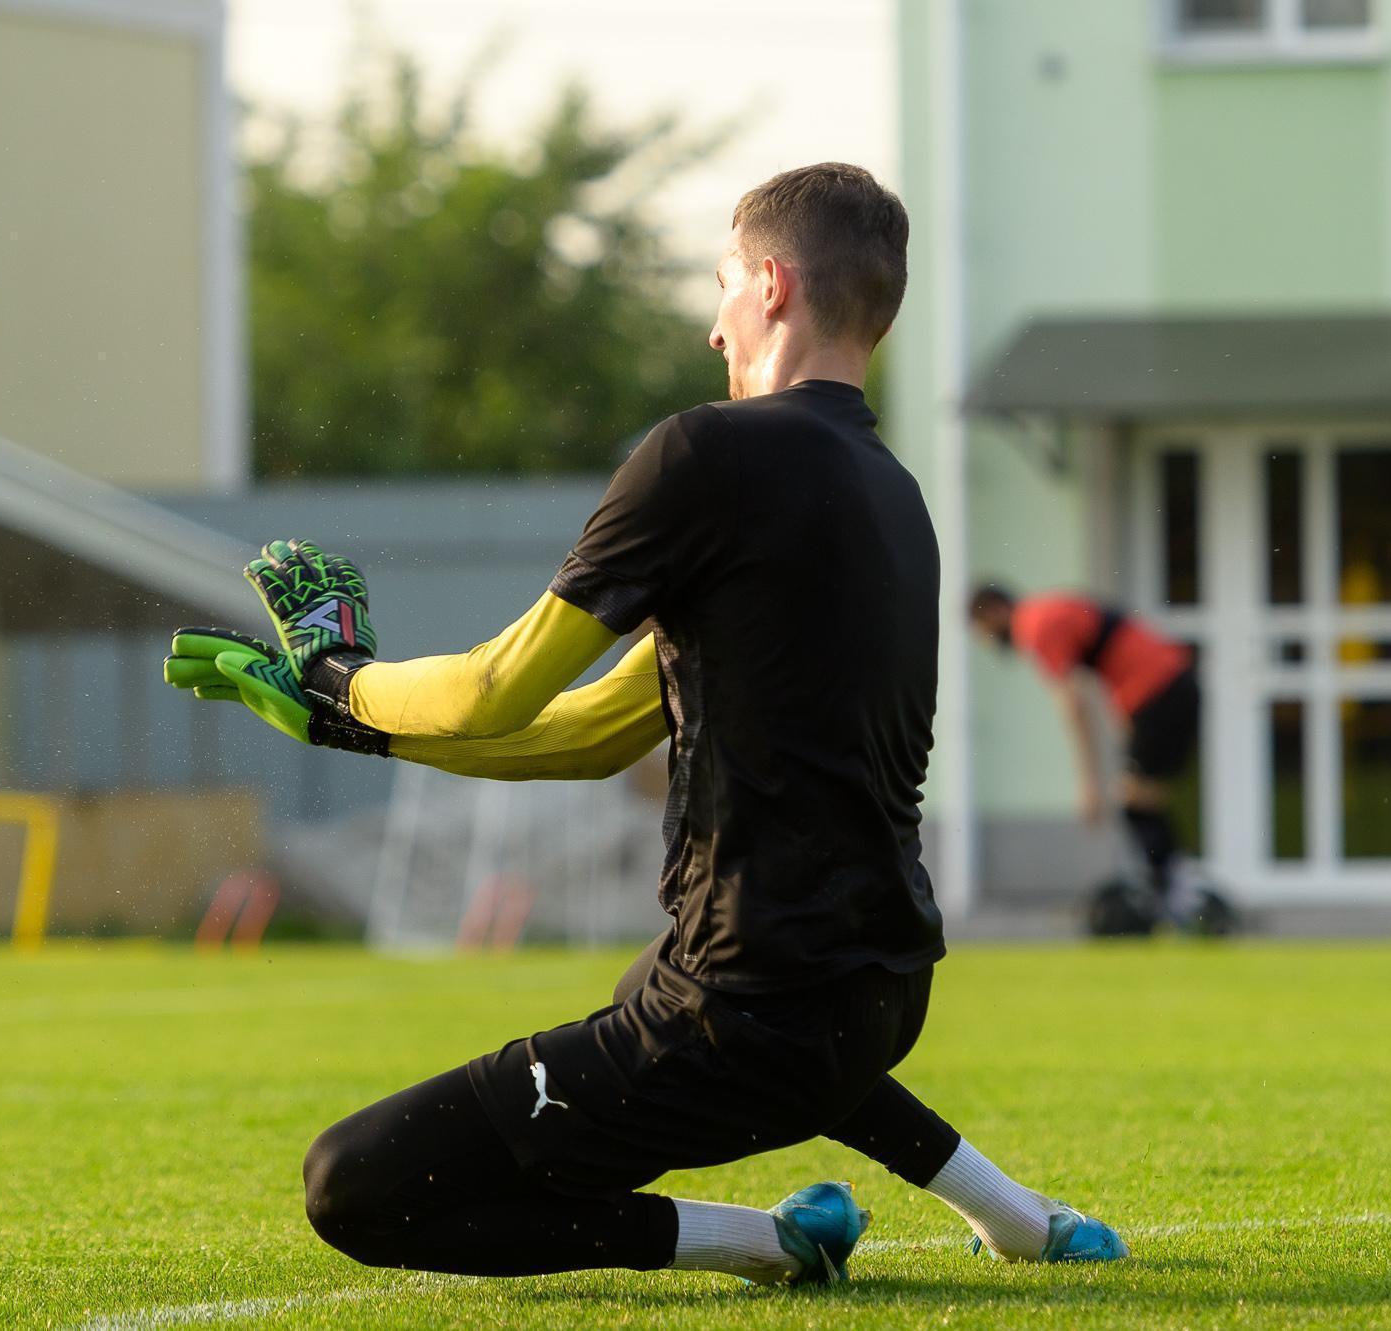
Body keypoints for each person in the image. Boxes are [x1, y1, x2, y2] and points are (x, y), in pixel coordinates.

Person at [164, 163, 1125, 1287]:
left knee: (354, 1183)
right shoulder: (892, 491)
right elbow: (591, 734)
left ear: (770, 284)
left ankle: (765, 1245)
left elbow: (491, 690)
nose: (714, 328)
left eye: (721, 285)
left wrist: (338, 672)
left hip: (743, 1015)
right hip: (880, 999)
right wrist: (354, 728)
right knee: (657, 986)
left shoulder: (703, 454)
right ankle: (1013, 1214)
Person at [967, 584, 1206, 918]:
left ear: (994, 611)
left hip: (1159, 691)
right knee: (1142, 800)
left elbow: (1073, 703)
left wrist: (1089, 781)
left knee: (1136, 802)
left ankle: (1181, 896)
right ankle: (1175, 888)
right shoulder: (1045, 611)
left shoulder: (1033, 627)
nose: (986, 641)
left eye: (982, 630)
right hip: (1165, 688)